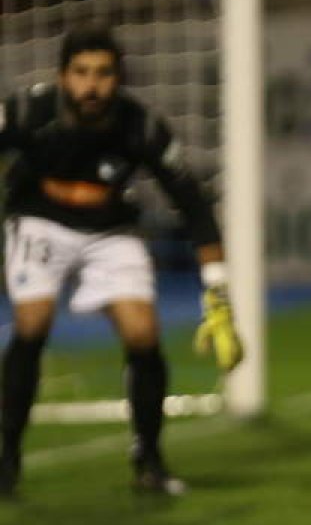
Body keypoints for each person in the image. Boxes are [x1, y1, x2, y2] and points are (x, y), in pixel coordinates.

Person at [0, 26, 244, 496]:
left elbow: (191, 202)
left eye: (104, 74)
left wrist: (216, 286)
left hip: (110, 230)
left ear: (119, 78)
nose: (91, 86)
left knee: (143, 333)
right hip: (38, 222)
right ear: (62, 76)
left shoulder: (141, 126)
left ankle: (149, 461)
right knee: (33, 322)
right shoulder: (28, 111)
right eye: (82, 73)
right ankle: (7, 456)